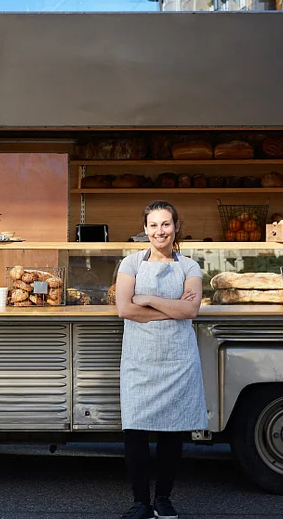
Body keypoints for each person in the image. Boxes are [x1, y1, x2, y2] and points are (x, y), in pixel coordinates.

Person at [114, 201, 207, 519]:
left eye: (165, 224)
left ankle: (163, 499)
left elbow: (190, 311)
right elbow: (125, 309)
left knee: (172, 432)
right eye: (153, 225)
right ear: (145, 229)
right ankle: (141, 502)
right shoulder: (131, 264)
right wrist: (171, 307)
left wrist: (149, 299)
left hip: (177, 360)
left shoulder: (190, 267)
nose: (159, 231)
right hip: (140, 359)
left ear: (176, 226)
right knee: (135, 431)